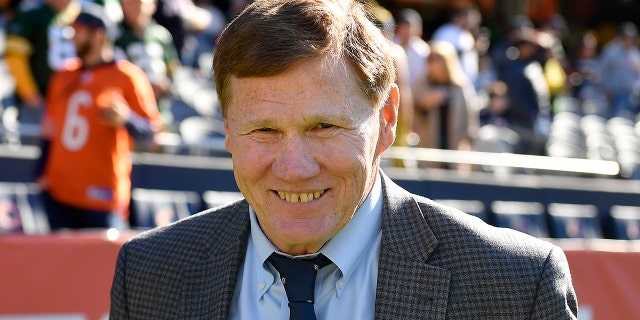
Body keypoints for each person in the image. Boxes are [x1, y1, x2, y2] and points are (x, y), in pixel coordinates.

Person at [110, 0, 578, 318]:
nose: (294, 167)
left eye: (324, 127)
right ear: (228, 128)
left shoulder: (515, 287)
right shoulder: (150, 274)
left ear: (387, 118)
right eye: (264, 131)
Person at [36, 3, 162, 230]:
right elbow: (49, 126)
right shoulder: (64, 74)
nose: (72, 37)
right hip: (60, 191)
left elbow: (152, 137)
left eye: (78, 31)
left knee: (101, 264)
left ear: (98, 35)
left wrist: (126, 119)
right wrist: (40, 171)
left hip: (102, 194)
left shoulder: (128, 76)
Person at [4, 0, 81, 124]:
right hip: (40, 99)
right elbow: (15, 58)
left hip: (75, 99)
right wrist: (30, 93)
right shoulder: (31, 13)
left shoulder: (83, 14)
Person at [115, 0, 181, 131]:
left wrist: (165, 84)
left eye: (140, 4)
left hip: (159, 111)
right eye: (131, 4)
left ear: (153, 5)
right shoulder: (116, 36)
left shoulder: (161, 35)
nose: (136, 8)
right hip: (128, 114)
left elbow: (173, 69)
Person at [413, 41, 479, 157]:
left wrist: (468, 145)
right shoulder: (423, 85)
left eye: (438, 60)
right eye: (431, 60)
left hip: (455, 146)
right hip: (429, 147)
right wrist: (425, 103)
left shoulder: (460, 86)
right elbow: (412, 113)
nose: (434, 65)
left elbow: (470, 118)